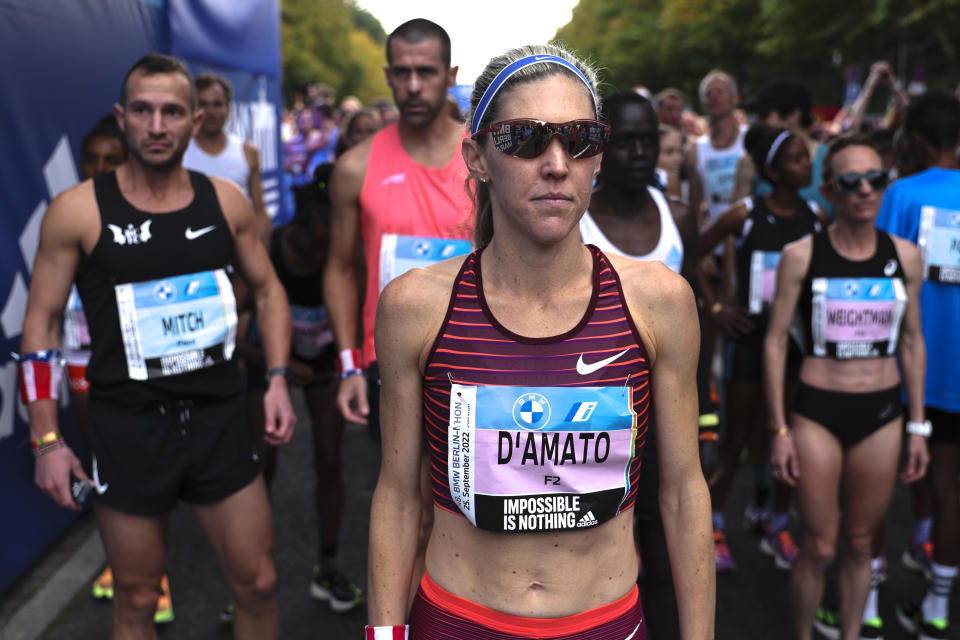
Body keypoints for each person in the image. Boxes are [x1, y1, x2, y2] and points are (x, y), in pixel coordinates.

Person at [366, 43, 714, 640]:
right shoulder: (414, 306)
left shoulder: (658, 301)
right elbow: (398, 497)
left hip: (605, 623)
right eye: (525, 139)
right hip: (458, 622)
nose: (556, 163)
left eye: (579, 138)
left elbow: (683, 492)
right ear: (477, 157)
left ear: (597, 157)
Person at [19, 53, 296, 640]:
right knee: (138, 600)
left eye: (172, 112)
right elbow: (39, 324)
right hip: (129, 426)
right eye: (142, 110)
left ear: (195, 122)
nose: (156, 125)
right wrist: (46, 438)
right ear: (122, 117)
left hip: (219, 418)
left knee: (260, 583)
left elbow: (269, 291)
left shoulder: (225, 201)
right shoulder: (78, 211)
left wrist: (275, 378)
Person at [764, 135, 929, 640]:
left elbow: (912, 342)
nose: (864, 191)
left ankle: (852, 633)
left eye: (875, 180)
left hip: (881, 414)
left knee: (861, 544)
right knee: (821, 545)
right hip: (817, 411)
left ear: (885, 185)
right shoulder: (800, 255)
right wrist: (779, 429)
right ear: (830, 189)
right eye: (851, 182)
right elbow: (774, 345)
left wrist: (919, 426)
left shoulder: (906, 256)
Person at [581, 89, 712, 639]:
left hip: (668, 421)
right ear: (600, 147)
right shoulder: (572, 218)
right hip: (596, 417)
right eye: (624, 141)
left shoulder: (678, 215)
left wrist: (707, 416)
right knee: (593, 558)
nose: (639, 152)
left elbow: (697, 305)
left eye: (649, 140)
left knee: (663, 557)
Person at [324, 18, 474, 431]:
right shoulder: (355, 167)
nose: (413, 85)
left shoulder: (485, 161)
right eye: (402, 73)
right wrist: (348, 365)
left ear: (450, 75)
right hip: (389, 364)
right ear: (388, 76)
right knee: (400, 489)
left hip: (475, 359)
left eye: (426, 72)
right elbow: (340, 269)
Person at [236, 164, 362, 613]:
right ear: (298, 232)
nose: (321, 259)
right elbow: (234, 335)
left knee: (329, 461)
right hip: (266, 361)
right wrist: (283, 365)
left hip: (324, 364)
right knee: (260, 467)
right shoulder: (269, 252)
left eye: (330, 250)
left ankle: (327, 568)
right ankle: (250, 579)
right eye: (313, 249)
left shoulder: (342, 252)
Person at [700, 125, 824, 574]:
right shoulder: (745, 214)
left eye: (806, 157)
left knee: (788, 436)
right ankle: (713, 529)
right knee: (734, 439)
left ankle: (777, 524)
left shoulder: (815, 217)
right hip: (749, 343)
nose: (806, 165)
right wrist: (716, 308)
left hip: (796, 344)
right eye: (795, 158)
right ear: (772, 170)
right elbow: (693, 252)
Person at [876, 91, 960, 640]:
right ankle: (934, 589)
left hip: (910, 363)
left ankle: (909, 600)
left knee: (897, 472)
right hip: (953, 370)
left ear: (917, 141)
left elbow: (877, 274)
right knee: (947, 478)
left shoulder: (902, 193)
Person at [183, 72, 269, 238]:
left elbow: (260, 211)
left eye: (217, 104)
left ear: (228, 108)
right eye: (203, 104)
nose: (211, 112)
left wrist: (258, 247)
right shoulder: (180, 152)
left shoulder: (248, 152)